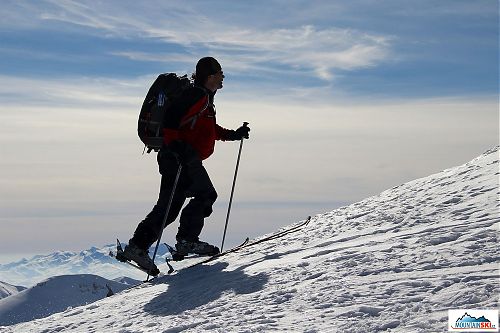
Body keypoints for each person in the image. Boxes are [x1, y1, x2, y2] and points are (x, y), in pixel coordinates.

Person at [122, 57, 250, 275]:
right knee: (206, 194)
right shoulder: (196, 95)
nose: (223, 77)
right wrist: (178, 147)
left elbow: (207, 129)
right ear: (210, 76)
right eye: (220, 73)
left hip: (178, 157)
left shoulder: (203, 97)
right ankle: (187, 241)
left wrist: (233, 134)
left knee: (169, 208)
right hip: (180, 158)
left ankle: (138, 246)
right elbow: (171, 120)